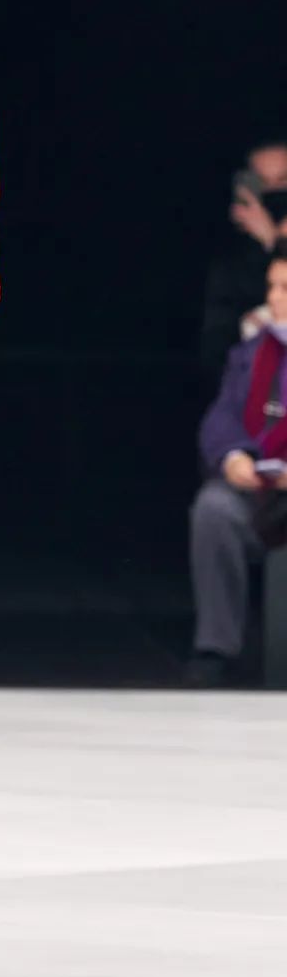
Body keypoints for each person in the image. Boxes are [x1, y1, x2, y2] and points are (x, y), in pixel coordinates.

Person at [187, 242, 287, 688]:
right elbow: (222, 415)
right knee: (214, 509)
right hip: (261, 489)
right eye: (272, 287)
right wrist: (234, 456)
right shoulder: (253, 351)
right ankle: (217, 648)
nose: (274, 299)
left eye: (285, 288)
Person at [201, 139, 287, 382]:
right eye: (262, 183)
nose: (273, 193)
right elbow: (216, 351)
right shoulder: (230, 260)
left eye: (283, 181)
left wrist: (275, 242)